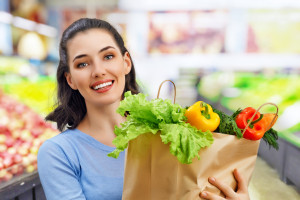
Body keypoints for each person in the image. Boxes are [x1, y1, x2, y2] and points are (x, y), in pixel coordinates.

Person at [37, 18, 250, 200]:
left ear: (126, 62)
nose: (99, 71)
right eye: (82, 64)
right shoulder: (59, 154)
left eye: (108, 56)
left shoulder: (169, 134)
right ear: (70, 79)